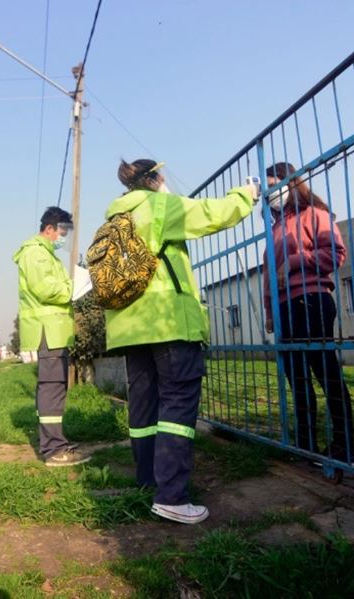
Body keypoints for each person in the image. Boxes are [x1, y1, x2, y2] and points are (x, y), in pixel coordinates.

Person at [104, 159, 259, 524]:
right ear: (154, 179)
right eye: (162, 176)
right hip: (167, 321)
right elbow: (211, 213)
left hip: (130, 326)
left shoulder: (115, 219)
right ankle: (172, 496)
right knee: (177, 405)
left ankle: (148, 480)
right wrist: (246, 195)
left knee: (144, 406)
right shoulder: (158, 206)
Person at [262, 162, 354, 465]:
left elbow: (336, 254)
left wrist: (294, 261)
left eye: (275, 186)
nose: (270, 195)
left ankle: (345, 446)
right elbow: (268, 275)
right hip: (284, 308)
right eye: (266, 191)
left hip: (313, 298)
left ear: (291, 184)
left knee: (325, 373)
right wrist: (269, 311)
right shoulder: (273, 229)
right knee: (297, 379)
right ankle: (306, 446)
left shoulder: (315, 214)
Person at [12, 206, 90, 467]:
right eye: (63, 231)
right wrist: (74, 286)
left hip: (53, 330)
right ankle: (54, 450)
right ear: (49, 229)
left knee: (54, 387)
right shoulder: (35, 252)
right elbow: (46, 288)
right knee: (52, 387)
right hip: (48, 330)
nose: (65, 237)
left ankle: (55, 443)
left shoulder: (44, 253)